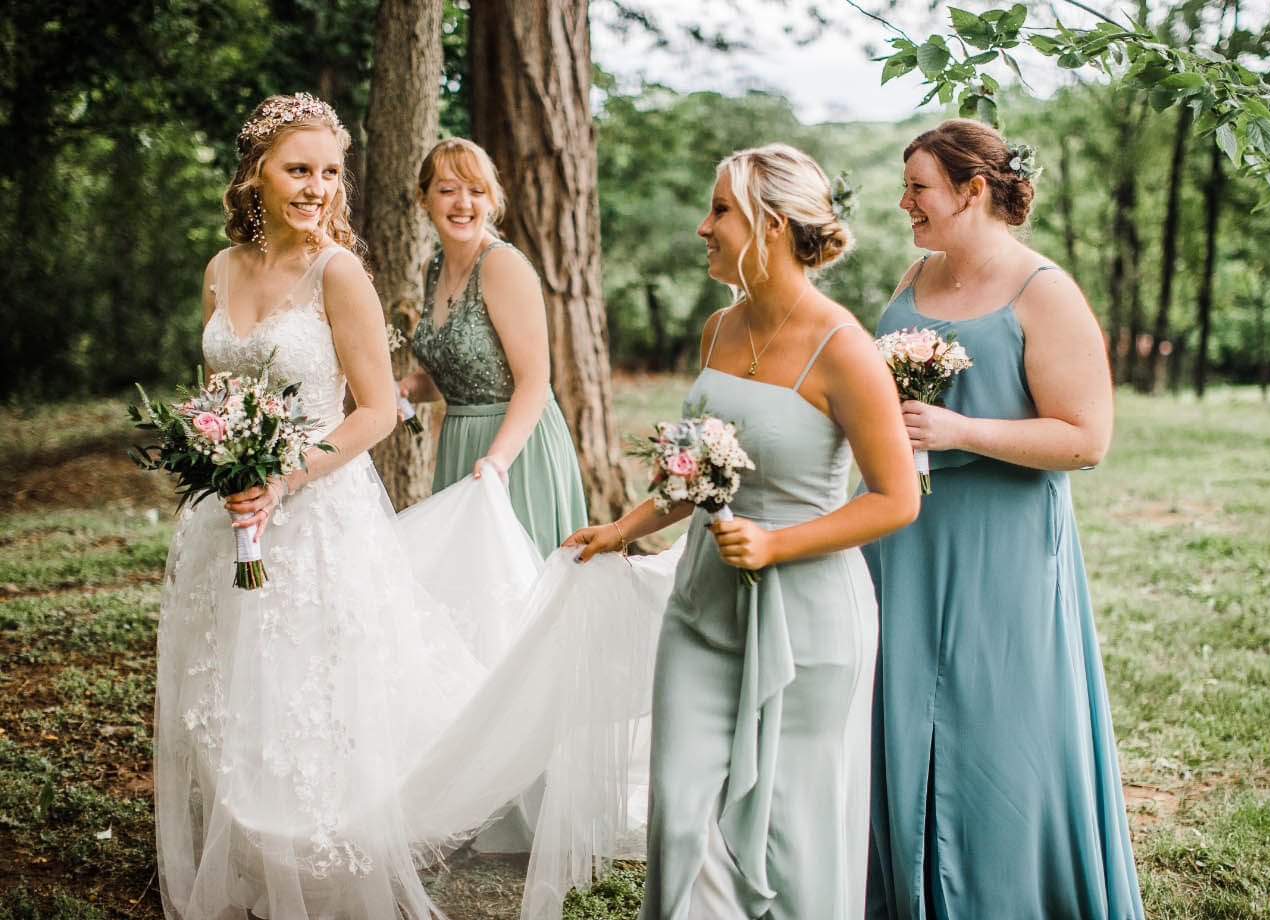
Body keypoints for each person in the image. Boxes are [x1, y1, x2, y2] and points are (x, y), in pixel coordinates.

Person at [153, 92, 498, 920]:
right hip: (230, 511)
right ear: (257, 175)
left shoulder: (338, 274)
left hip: (316, 515)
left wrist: (285, 478)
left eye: (331, 173)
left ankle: (324, 879)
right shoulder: (221, 269)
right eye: (298, 169)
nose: (317, 187)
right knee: (230, 695)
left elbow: (376, 410)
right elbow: (217, 395)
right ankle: (248, 868)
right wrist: (219, 461)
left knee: (311, 698)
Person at [566, 143, 920, 920]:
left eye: (720, 209)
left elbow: (896, 499)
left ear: (771, 221)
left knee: (793, 830)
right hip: (703, 611)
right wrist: (624, 528)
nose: (704, 226)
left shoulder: (844, 349)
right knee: (681, 807)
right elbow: (697, 474)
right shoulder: (719, 330)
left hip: (810, 625)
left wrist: (777, 544)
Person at [861, 119, 1144, 919]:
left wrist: (959, 432)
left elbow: (1086, 440)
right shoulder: (912, 279)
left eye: (919, 186)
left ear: (972, 190)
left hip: (1002, 545)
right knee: (896, 709)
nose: (905, 202)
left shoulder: (1042, 290)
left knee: (996, 734)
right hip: (905, 536)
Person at [398, 138, 588, 559]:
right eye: (448, 189)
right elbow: (462, 367)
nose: (463, 202)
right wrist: (408, 387)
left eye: (476, 190)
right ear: (423, 197)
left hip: (516, 448)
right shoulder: (434, 267)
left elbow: (534, 380)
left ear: (492, 200)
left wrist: (498, 460)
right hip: (460, 442)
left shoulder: (503, 264)